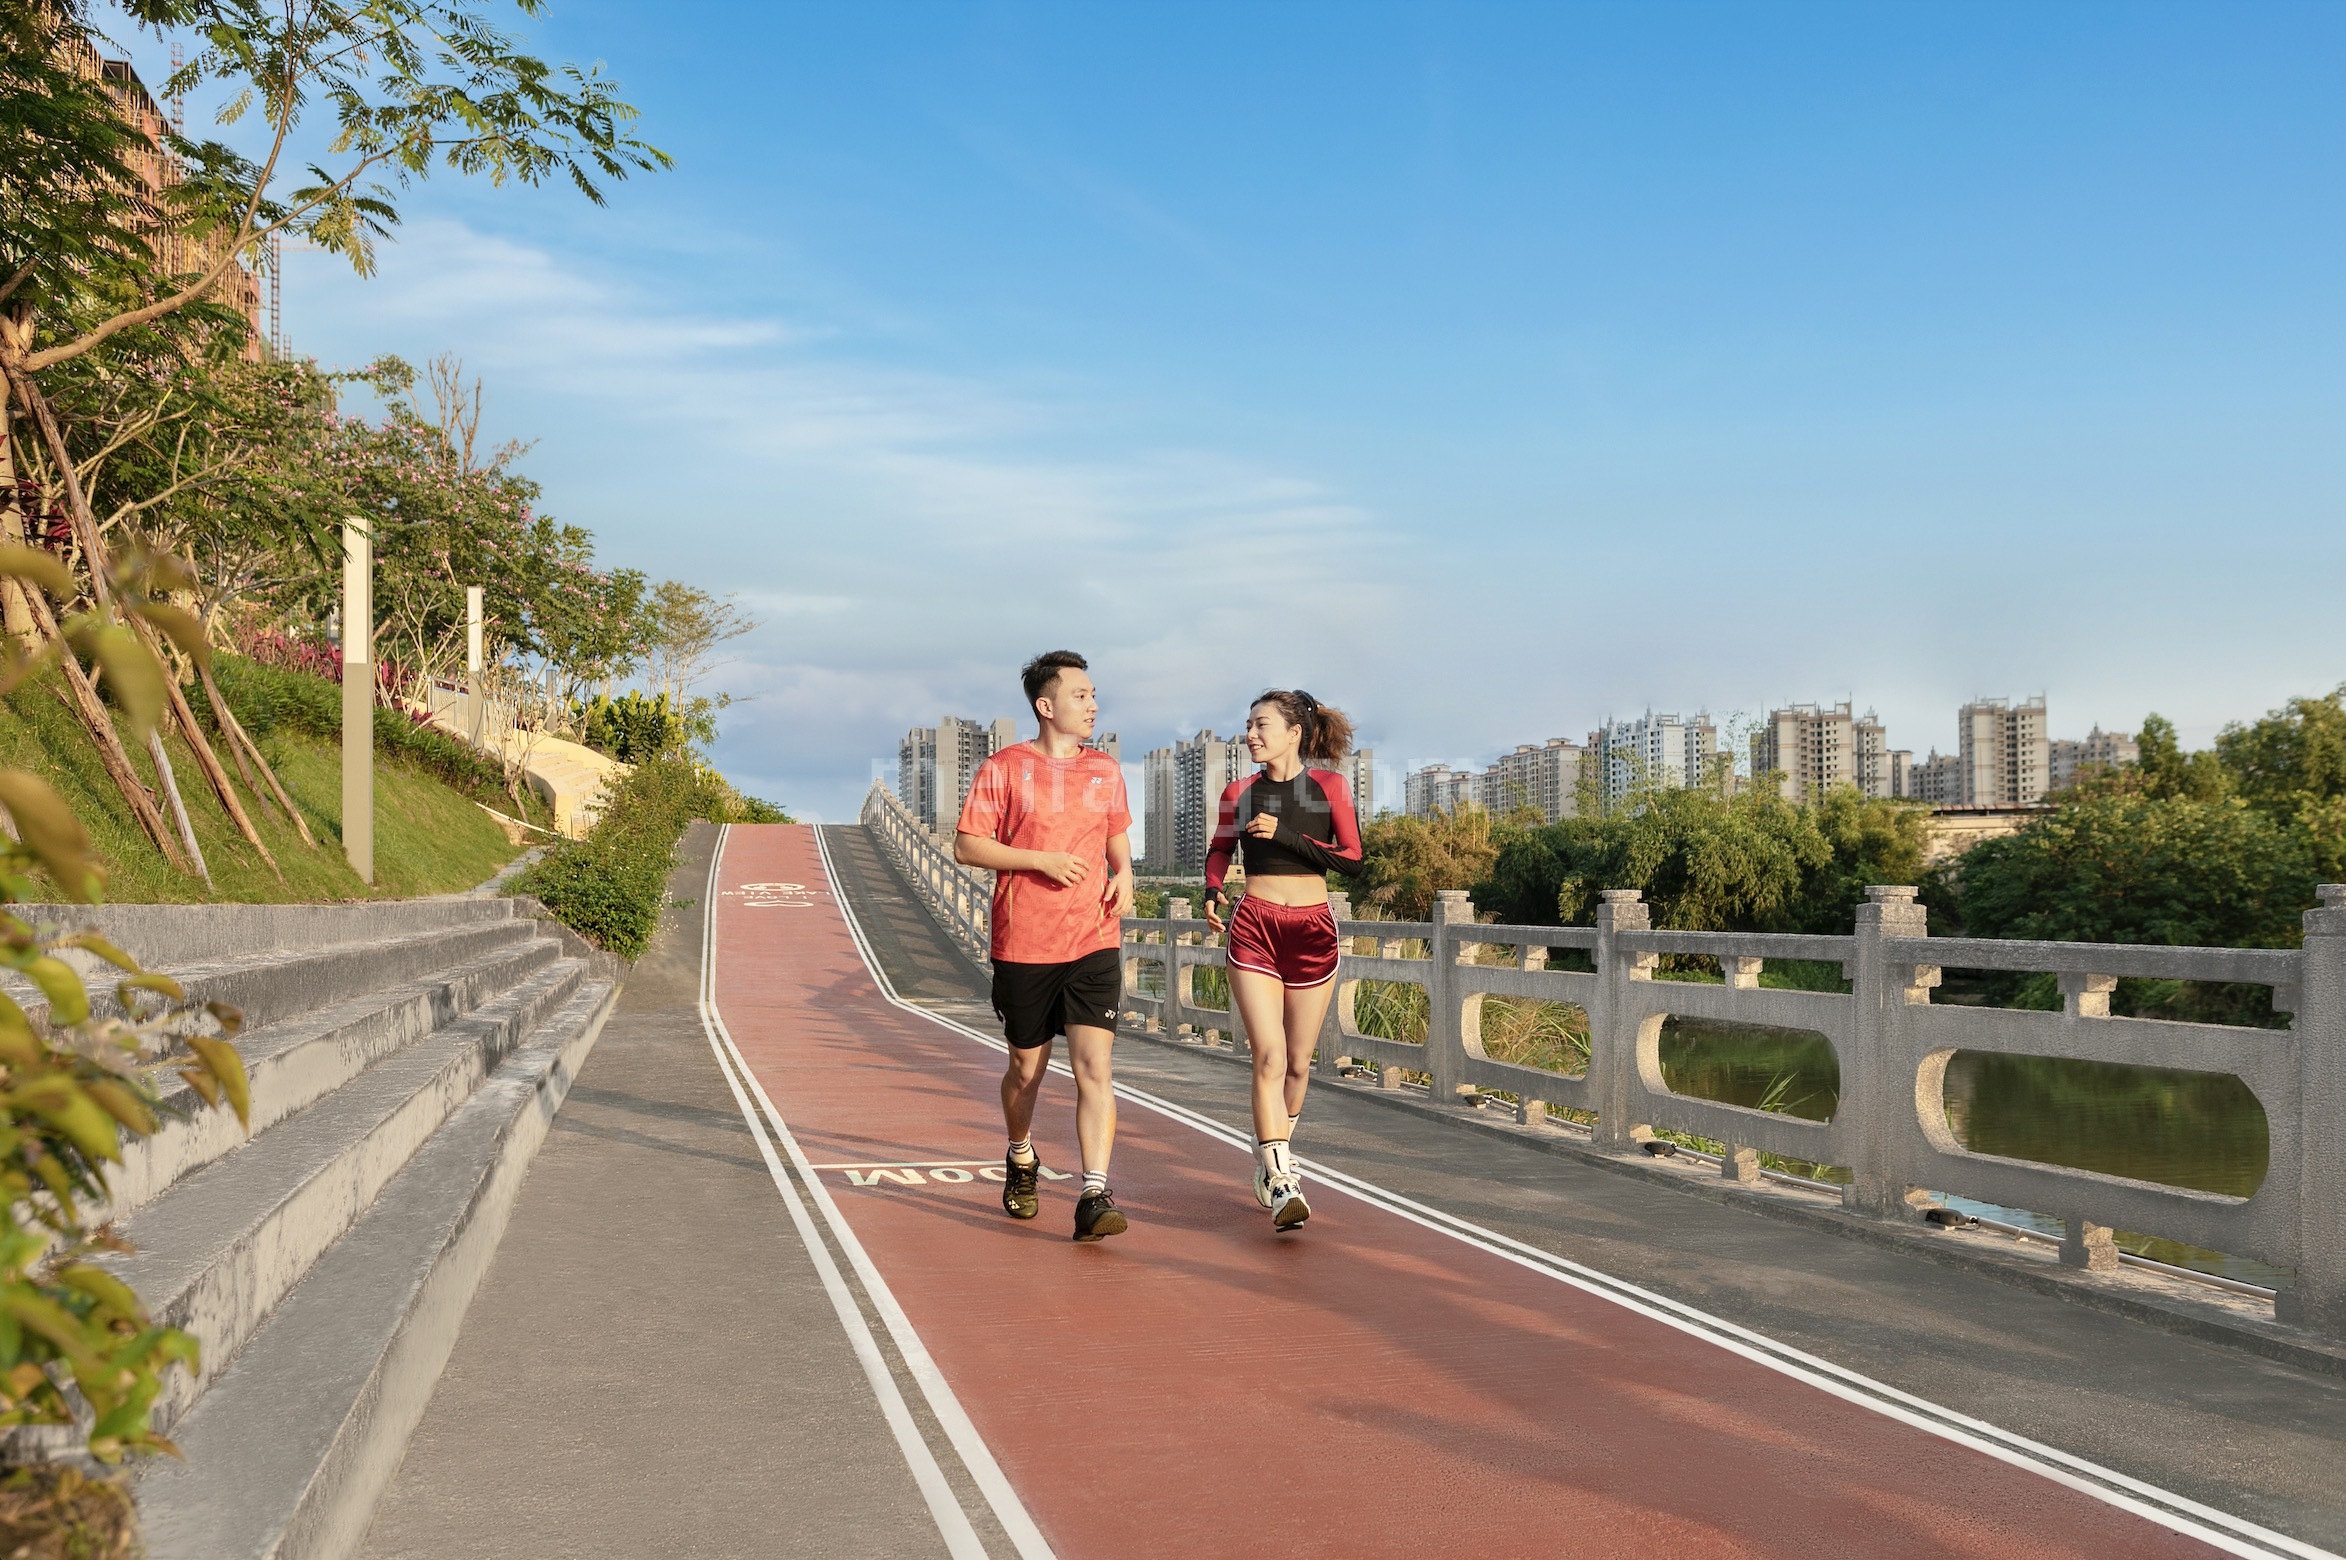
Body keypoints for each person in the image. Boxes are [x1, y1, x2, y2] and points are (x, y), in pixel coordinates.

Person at [955, 650, 1137, 1242]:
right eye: (1081, 696)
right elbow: (967, 846)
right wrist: (1039, 861)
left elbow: (1115, 836)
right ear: (1046, 705)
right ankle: (1020, 1152)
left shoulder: (1105, 770)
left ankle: (1093, 1192)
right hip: (1024, 943)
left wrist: (1126, 877)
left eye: (1093, 696)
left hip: (1093, 939)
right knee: (1026, 1069)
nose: (1092, 705)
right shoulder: (1004, 768)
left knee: (1095, 1068)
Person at [1202, 690, 1363, 1230]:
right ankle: (1282, 1177)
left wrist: (1286, 836)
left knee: (1298, 1063)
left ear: (1294, 732)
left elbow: (1353, 861)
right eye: (1247, 724)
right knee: (1268, 1057)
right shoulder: (1239, 791)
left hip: (1314, 930)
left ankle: (1270, 1159)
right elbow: (1222, 847)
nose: (1250, 734)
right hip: (1255, 926)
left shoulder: (1329, 788)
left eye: (1261, 724)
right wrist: (1211, 886)